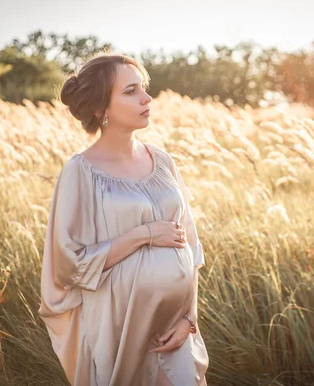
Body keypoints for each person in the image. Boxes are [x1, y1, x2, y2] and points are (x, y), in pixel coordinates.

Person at [38, 53, 208, 385]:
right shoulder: (80, 172)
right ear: (101, 108)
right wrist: (144, 234)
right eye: (130, 91)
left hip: (175, 327)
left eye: (143, 88)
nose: (147, 98)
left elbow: (191, 247)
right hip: (120, 326)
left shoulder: (162, 160)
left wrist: (190, 320)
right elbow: (67, 265)